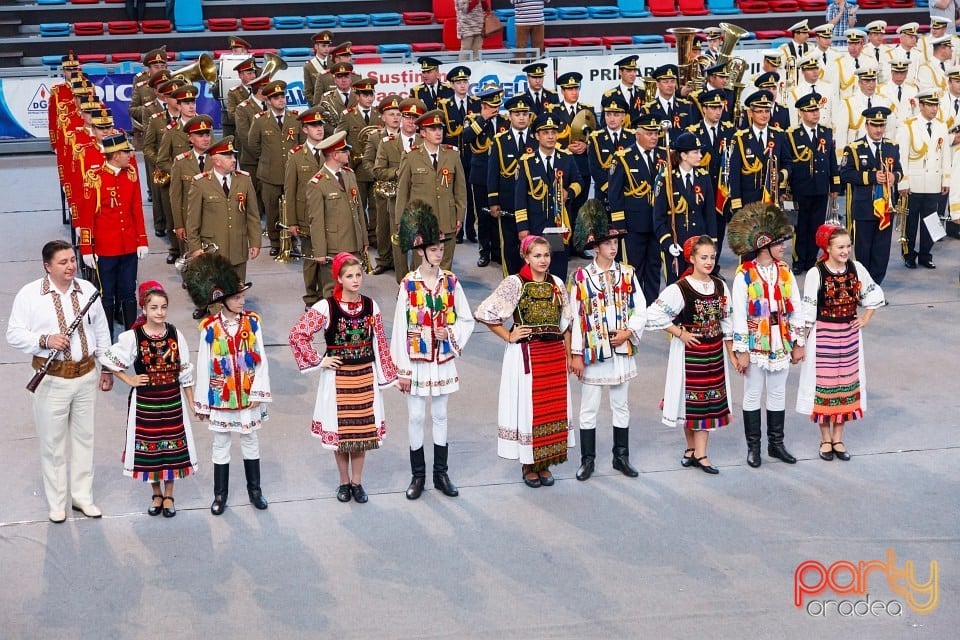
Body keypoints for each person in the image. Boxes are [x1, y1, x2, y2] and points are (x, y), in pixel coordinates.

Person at [7, 240, 114, 522]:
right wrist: (44, 340)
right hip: (51, 379)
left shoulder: (88, 290)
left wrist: (107, 369)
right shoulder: (30, 295)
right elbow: (13, 334)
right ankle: (57, 503)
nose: (70, 266)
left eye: (72, 260)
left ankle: (82, 497)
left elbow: (101, 331)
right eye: (63, 262)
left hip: (86, 374)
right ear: (47, 266)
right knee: (52, 445)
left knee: (84, 439)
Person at [288, 253, 399, 504]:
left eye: (358, 274)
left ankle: (357, 483)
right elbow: (298, 334)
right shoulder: (326, 307)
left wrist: (389, 376)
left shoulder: (371, 306)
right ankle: (343, 482)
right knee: (341, 436)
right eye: (349, 276)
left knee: (360, 436)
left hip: (364, 377)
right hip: (338, 379)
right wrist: (319, 360)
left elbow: (379, 342)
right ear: (339, 278)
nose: (356, 280)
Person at [474, 235, 574, 488]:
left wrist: (569, 355)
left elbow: (566, 323)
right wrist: (508, 334)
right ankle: (529, 464)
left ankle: (545, 462)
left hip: (553, 355)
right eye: (537, 255)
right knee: (529, 408)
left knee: (552, 407)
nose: (543, 260)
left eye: (546, 255)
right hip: (528, 354)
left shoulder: (557, 283)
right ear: (526, 257)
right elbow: (485, 313)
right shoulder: (515, 283)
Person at [391, 201, 475, 499]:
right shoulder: (408, 285)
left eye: (441, 249)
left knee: (440, 415)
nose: (440, 253)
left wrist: (449, 333)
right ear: (421, 251)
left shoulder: (451, 282)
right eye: (435, 249)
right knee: (415, 416)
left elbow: (467, 318)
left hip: (441, 359)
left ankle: (441, 474)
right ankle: (418, 476)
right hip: (414, 361)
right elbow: (400, 328)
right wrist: (400, 370)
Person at [99, 281, 197, 517]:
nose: (159, 312)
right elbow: (109, 359)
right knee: (150, 450)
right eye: (154, 307)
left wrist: (192, 403)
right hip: (146, 402)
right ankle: (156, 493)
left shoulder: (175, 333)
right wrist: (130, 380)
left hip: (172, 399)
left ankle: (170, 495)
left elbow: (185, 371)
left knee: (173, 449)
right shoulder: (134, 336)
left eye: (163, 307)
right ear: (144, 309)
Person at [184, 253, 271, 515]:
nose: (242, 301)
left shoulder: (252, 323)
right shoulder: (209, 327)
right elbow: (203, 365)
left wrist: (259, 390)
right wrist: (201, 402)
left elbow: (261, 359)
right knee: (220, 442)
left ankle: (255, 490)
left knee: (249, 438)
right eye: (236, 298)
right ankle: (219, 494)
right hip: (221, 394)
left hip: (246, 392)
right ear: (222, 300)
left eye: (243, 297)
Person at [568, 201, 646, 481]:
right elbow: (575, 316)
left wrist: (629, 332)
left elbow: (641, 307)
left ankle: (620, 456)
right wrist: (576, 354)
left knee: (621, 404)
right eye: (607, 242)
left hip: (621, 349)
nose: (613, 247)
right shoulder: (582, 277)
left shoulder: (628, 273)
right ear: (595, 247)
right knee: (588, 407)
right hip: (593, 351)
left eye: (615, 242)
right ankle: (587, 460)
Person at [646, 235, 735, 474]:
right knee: (690, 402)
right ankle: (693, 450)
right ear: (692, 258)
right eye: (703, 257)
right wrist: (679, 332)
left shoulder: (719, 285)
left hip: (713, 352)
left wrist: (734, 353)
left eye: (712, 257)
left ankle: (700, 453)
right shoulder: (680, 288)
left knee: (706, 402)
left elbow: (727, 319)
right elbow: (653, 314)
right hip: (689, 353)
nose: (708, 261)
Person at [797, 224, 885, 461]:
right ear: (827, 248)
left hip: (848, 336)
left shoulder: (856, 268)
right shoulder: (817, 273)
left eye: (848, 246)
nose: (846, 251)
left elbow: (873, 294)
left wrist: (865, 318)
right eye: (840, 247)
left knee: (845, 385)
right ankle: (825, 439)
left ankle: (839, 438)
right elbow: (807, 310)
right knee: (825, 387)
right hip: (823, 334)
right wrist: (800, 343)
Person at [727, 203, 806, 468]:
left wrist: (798, 343)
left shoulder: (785, 272)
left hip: (781, 343)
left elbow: (796, 308)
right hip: (756, 345)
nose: (784, 246)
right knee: (752, 393)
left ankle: (776, 444)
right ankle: (754, 447)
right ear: (764, 245)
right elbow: (739, 314)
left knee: (777, 393)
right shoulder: (744, 276)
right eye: (779, 242)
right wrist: (742, 350)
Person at [76, 132, 149, 338]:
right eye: (126, 151)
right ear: (115, 154)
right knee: (106, 295)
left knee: (128, 293)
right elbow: (87, 216)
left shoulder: (132, 174)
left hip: (128, 246)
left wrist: (141, 239)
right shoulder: (95, 178)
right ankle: (106, 337)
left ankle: (131, 335)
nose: (130, 154)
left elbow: (136, 209)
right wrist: (87, 248)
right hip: (105, 248)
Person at [185, 135, 262, 292]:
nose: (233, 159)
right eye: (228, 157)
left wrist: (255, 241)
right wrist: (195, 247)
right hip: (213, 250)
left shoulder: (244, 180)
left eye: (233, 156)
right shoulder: (200, 184)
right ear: (216, 161)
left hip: (238, 248)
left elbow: (252, 215)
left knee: (237, 289)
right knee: (215, 292)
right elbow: (193, 220)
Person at [394, 110, 467, 272]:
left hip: (447, 219)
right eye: (433, 129)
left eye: (440, 128)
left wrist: (460, 216)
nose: (438, 133)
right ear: (423, 133)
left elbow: (460, 190)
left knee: (445, 266)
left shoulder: (452, 154)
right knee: (420, 266)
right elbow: (402, 192)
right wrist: (401, 221)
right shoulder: (410, 156)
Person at [515, 112, 583, 283]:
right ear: (537, 135)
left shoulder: (566, 157)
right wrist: (522, 227)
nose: (551, 136)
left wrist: (570, 192)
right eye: (546, 133)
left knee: (558, 270)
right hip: (536, 225)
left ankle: (558, 305)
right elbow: (520, 197)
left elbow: (579, 181)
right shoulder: (526, 162)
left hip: (558, 226)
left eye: (553, 132)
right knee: (535, 271)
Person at [838, 106, 903, 285]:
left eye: (882, 125)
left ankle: (875, 286)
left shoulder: (892, 146)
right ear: (866, 125)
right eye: (875, 125)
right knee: (863, 250)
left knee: (881, 251)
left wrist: (894, 176)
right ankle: (861, 287)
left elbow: (899, 170)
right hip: (864, 208)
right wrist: (871, 177)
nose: (879, 130)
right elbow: (845, 174)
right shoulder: (854, 148)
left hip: (885, 209)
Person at [608, 113, 667, 304]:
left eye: (656, 133)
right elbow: (615, 195)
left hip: (657, 223)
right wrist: (619, 224)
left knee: (654, 265)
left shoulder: (664, 156)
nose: (654, 137)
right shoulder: (623, 158)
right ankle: (632, 303)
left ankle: (651, 304)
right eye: (649, 133)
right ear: (638, 134)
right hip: (633, 224)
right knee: (633, 266)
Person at [304, 131, 369, 297]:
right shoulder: (317, 183)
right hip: (334, 247)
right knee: (332, 289)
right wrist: (319, 251)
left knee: (352, 287)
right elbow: (316, 220)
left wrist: (364, 239)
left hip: (353, 243)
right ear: (334, 155)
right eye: (344, 151)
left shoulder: (349, 175)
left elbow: (359, 209)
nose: (348, 153)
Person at [783, 93, 840, 274]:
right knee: (800, 226)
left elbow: (832, 161)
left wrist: (835, 186)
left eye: (816, 110)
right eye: (810, 111)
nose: (815, 114)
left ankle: (811, 259)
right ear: (802, 113)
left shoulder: (826, 132)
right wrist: (786, 188)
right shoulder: (793, 135)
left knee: (816, 225)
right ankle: (799, 260)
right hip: (800, 188)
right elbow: (789, 162)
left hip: (820, 187)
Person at [247, 79, 304, 257]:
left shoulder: (295, 118)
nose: (281, 100)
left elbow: (301, 143)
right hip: (269, 174)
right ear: (269, 101)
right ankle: (274, 242)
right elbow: (253, 144)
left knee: (292, 210)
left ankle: (292, 242)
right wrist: (267, 158)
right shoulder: (261, 120)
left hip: (291, 174)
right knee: (272, 210)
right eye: (276, 97)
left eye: (282, 96)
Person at [653, 131, 717, 285]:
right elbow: (658, 218)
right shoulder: (666, 179)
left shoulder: (704, 176)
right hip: (677, 243)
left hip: (699, 243)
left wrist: (712, 243)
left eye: (700, 151)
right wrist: (668, 244)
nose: (700, 155)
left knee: (699, 287)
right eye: (695, 152)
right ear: (683, 155)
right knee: (677, 287)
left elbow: (709, 214)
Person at [896, 90, 949, 270]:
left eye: (936, 105)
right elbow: (901, 156)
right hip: (914, 183)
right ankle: (909, 254)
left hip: (933, 181)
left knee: (930, 221)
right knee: (910, 223)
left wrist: (946, 180)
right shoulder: (908, 126)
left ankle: (926, 254)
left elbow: (945, 155)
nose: (935, 109)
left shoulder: (941, 126)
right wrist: (902, 182)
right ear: (922, 106)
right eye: (931, 105)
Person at [303, 30, 334, 106]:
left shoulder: (334, 63)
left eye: (328, 46)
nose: (327, 49)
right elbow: (308, 92)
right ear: (316, 47)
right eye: (323, 46)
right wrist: (317, 105)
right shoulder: (309, 66)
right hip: (319, 107)